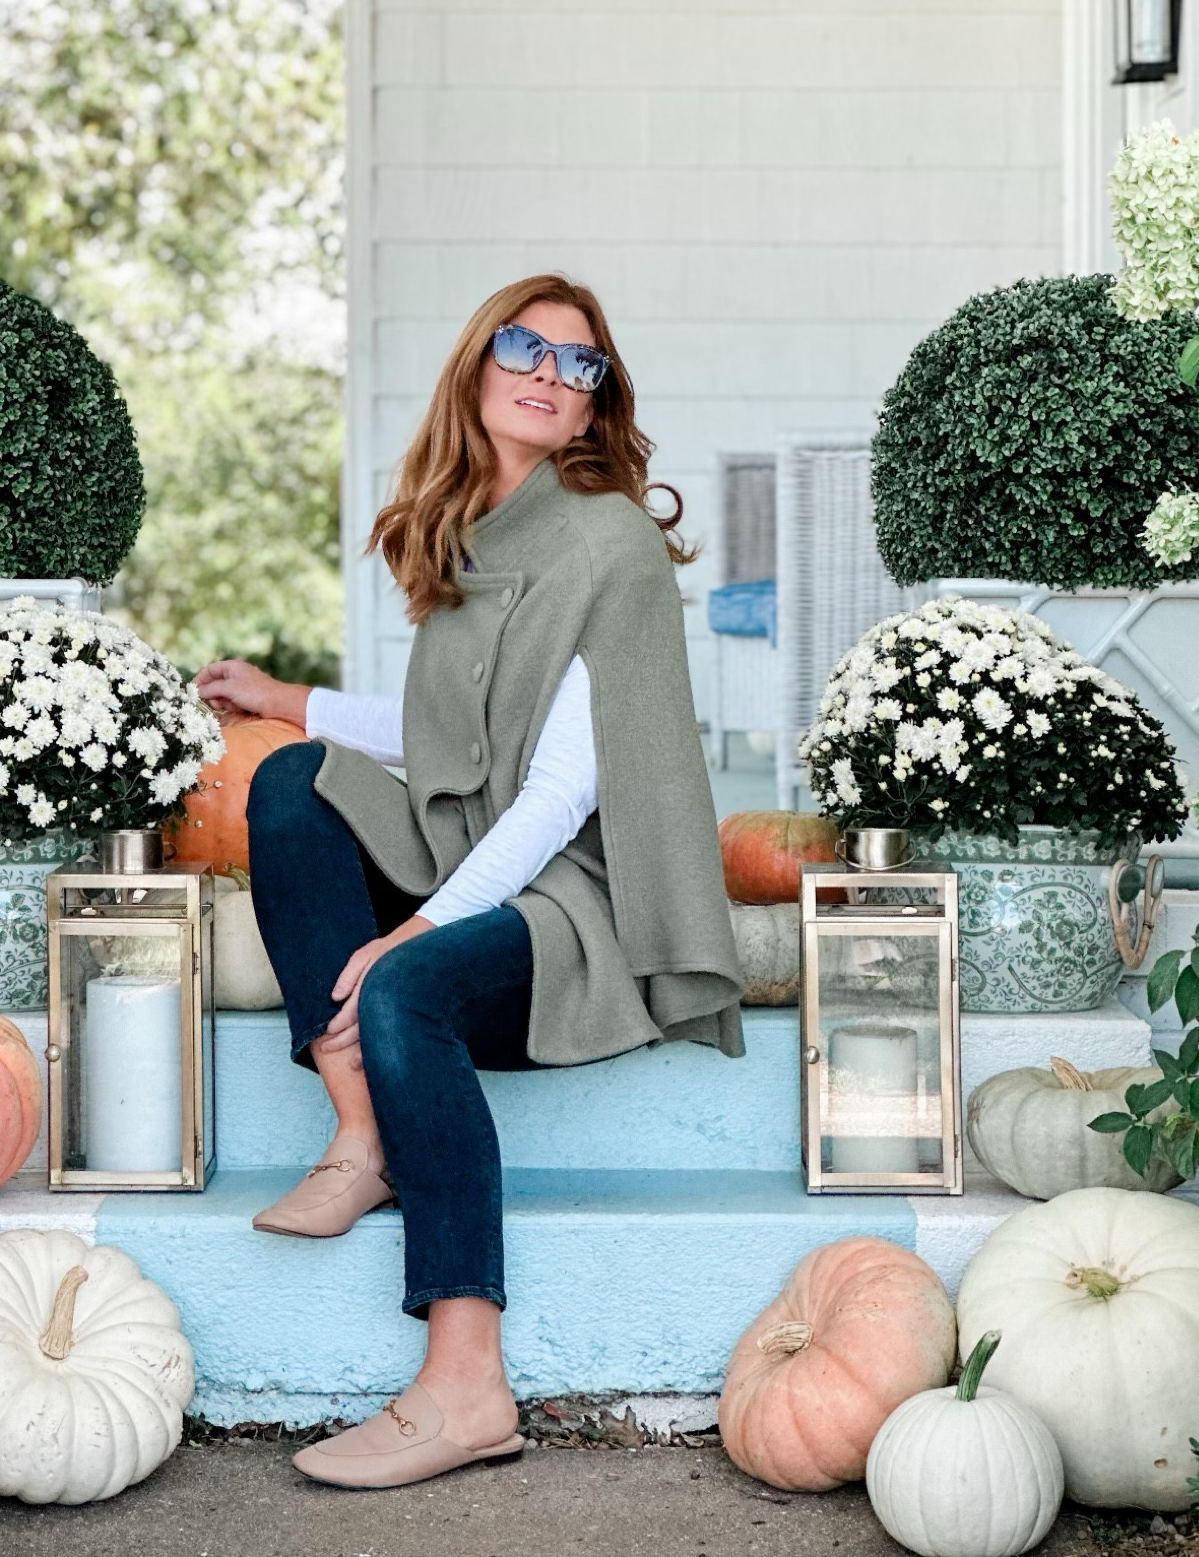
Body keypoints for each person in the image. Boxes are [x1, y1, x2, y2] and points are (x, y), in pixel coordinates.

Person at [194, 273, 742, 1490]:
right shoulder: (468, 531)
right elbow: (457, 732)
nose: (549, 374)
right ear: (479, 365)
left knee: (406, 991)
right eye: (526, 349)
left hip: (572, 900)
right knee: (290, 783)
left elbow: (556, 794)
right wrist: (290, 703)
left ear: (597, 400)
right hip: (472, 846)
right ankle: (360, 1127)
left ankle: (463, 1380)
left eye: (578, 363)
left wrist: (417, 931)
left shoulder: (609, 541)